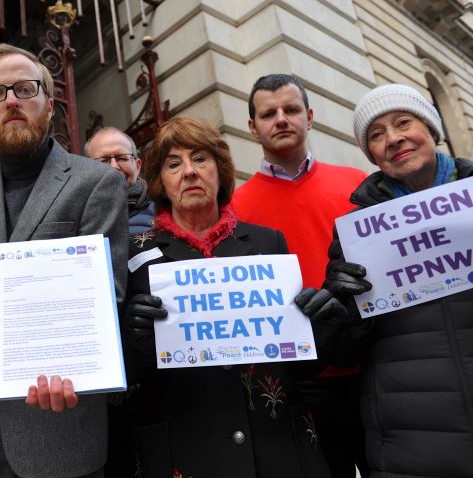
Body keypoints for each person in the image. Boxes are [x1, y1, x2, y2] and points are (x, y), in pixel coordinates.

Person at [0, 43, 128, 477]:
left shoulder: (97, 183)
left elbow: (106, 293)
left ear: (49, 104)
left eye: (24, 88)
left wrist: (73, 361)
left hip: (59, 426)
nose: (12, 100)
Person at [124, 117, 339, 478]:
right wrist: (136, 340)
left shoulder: (267, 242)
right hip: (187, 448)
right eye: (174, 164)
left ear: (220, 171)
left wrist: (319, 331)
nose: (189, 172)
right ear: (161, 180)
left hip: (278, 447)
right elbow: (127, 377)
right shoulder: (135, 254)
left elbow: (302, 365)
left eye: (201, 159)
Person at [324, 84, 473, 478]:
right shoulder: (355, 236)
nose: (393, 139)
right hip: (411, 449)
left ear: (430, 129)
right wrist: (341, 308)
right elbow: (344, 354)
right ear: (371, 154)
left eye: (403, 122)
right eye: (376, 135)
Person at [232, 74, 369, 477]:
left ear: (309, 116)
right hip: (300, 383)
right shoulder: (236, 208)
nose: (281, 119)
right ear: (253, 127)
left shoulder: (358, 184)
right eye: (268, 113)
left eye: (291, 110)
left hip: (372, 365)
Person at [85, 127, 153, 234]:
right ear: (88, 169)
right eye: (103, 161)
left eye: (122, 158)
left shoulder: (166, 207)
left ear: (138, 166)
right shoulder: (77, 214)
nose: (114, 166)